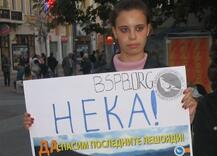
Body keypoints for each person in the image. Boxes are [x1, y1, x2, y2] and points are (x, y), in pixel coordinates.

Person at [24, 0, 197, 128]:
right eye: (124, 29)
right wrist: (38, 121)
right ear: (114, 32)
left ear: (148, 29)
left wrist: (189, 110)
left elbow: (180, 131)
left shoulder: (168, 78)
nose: (132, 36)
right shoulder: (96, 79)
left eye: (139, 28)